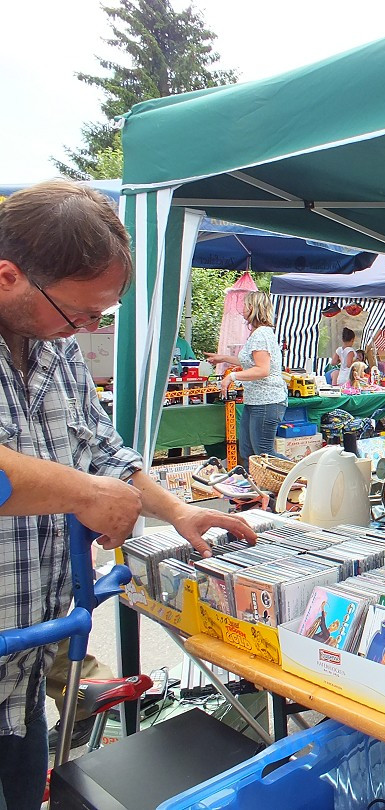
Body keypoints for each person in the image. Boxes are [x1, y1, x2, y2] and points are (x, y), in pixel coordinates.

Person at [0, 180, 256, 809]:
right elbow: (82, 479)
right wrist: (86, 494)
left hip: (23, 671)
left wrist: (177, 510)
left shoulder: (54, 348)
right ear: (8, 276)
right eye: (77, 313)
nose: (85, 330)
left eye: (99, 317)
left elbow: (101, 448)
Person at [206, 291, 289, 465]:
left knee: (263, 452)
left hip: (267, 401)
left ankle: (300, 474)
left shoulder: (261, 335)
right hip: (256, 401)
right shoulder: (258, 333)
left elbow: (262, 370)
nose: (242, 309)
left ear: (252, 308)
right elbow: (250, 362)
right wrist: (223, 358)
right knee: (248, 451)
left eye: (245, 305)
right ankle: (256, 488)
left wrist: (232, 377)